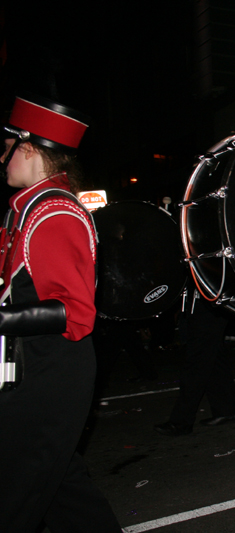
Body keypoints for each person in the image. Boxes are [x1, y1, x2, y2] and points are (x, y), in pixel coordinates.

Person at [0, 94, 120, 531]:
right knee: (63, 496)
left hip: (48, 377)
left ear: (27, 148)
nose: (2, 158)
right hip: (35, 371)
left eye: (5, 147)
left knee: (14, 500)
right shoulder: (29, 210)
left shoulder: (54, 213)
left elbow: (75, 313)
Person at [154, 291, 235, 436]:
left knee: (197, 359)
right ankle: (227, 410)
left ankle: (181, 421)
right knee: (212, 354)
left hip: (211, 298)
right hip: (205, 299)